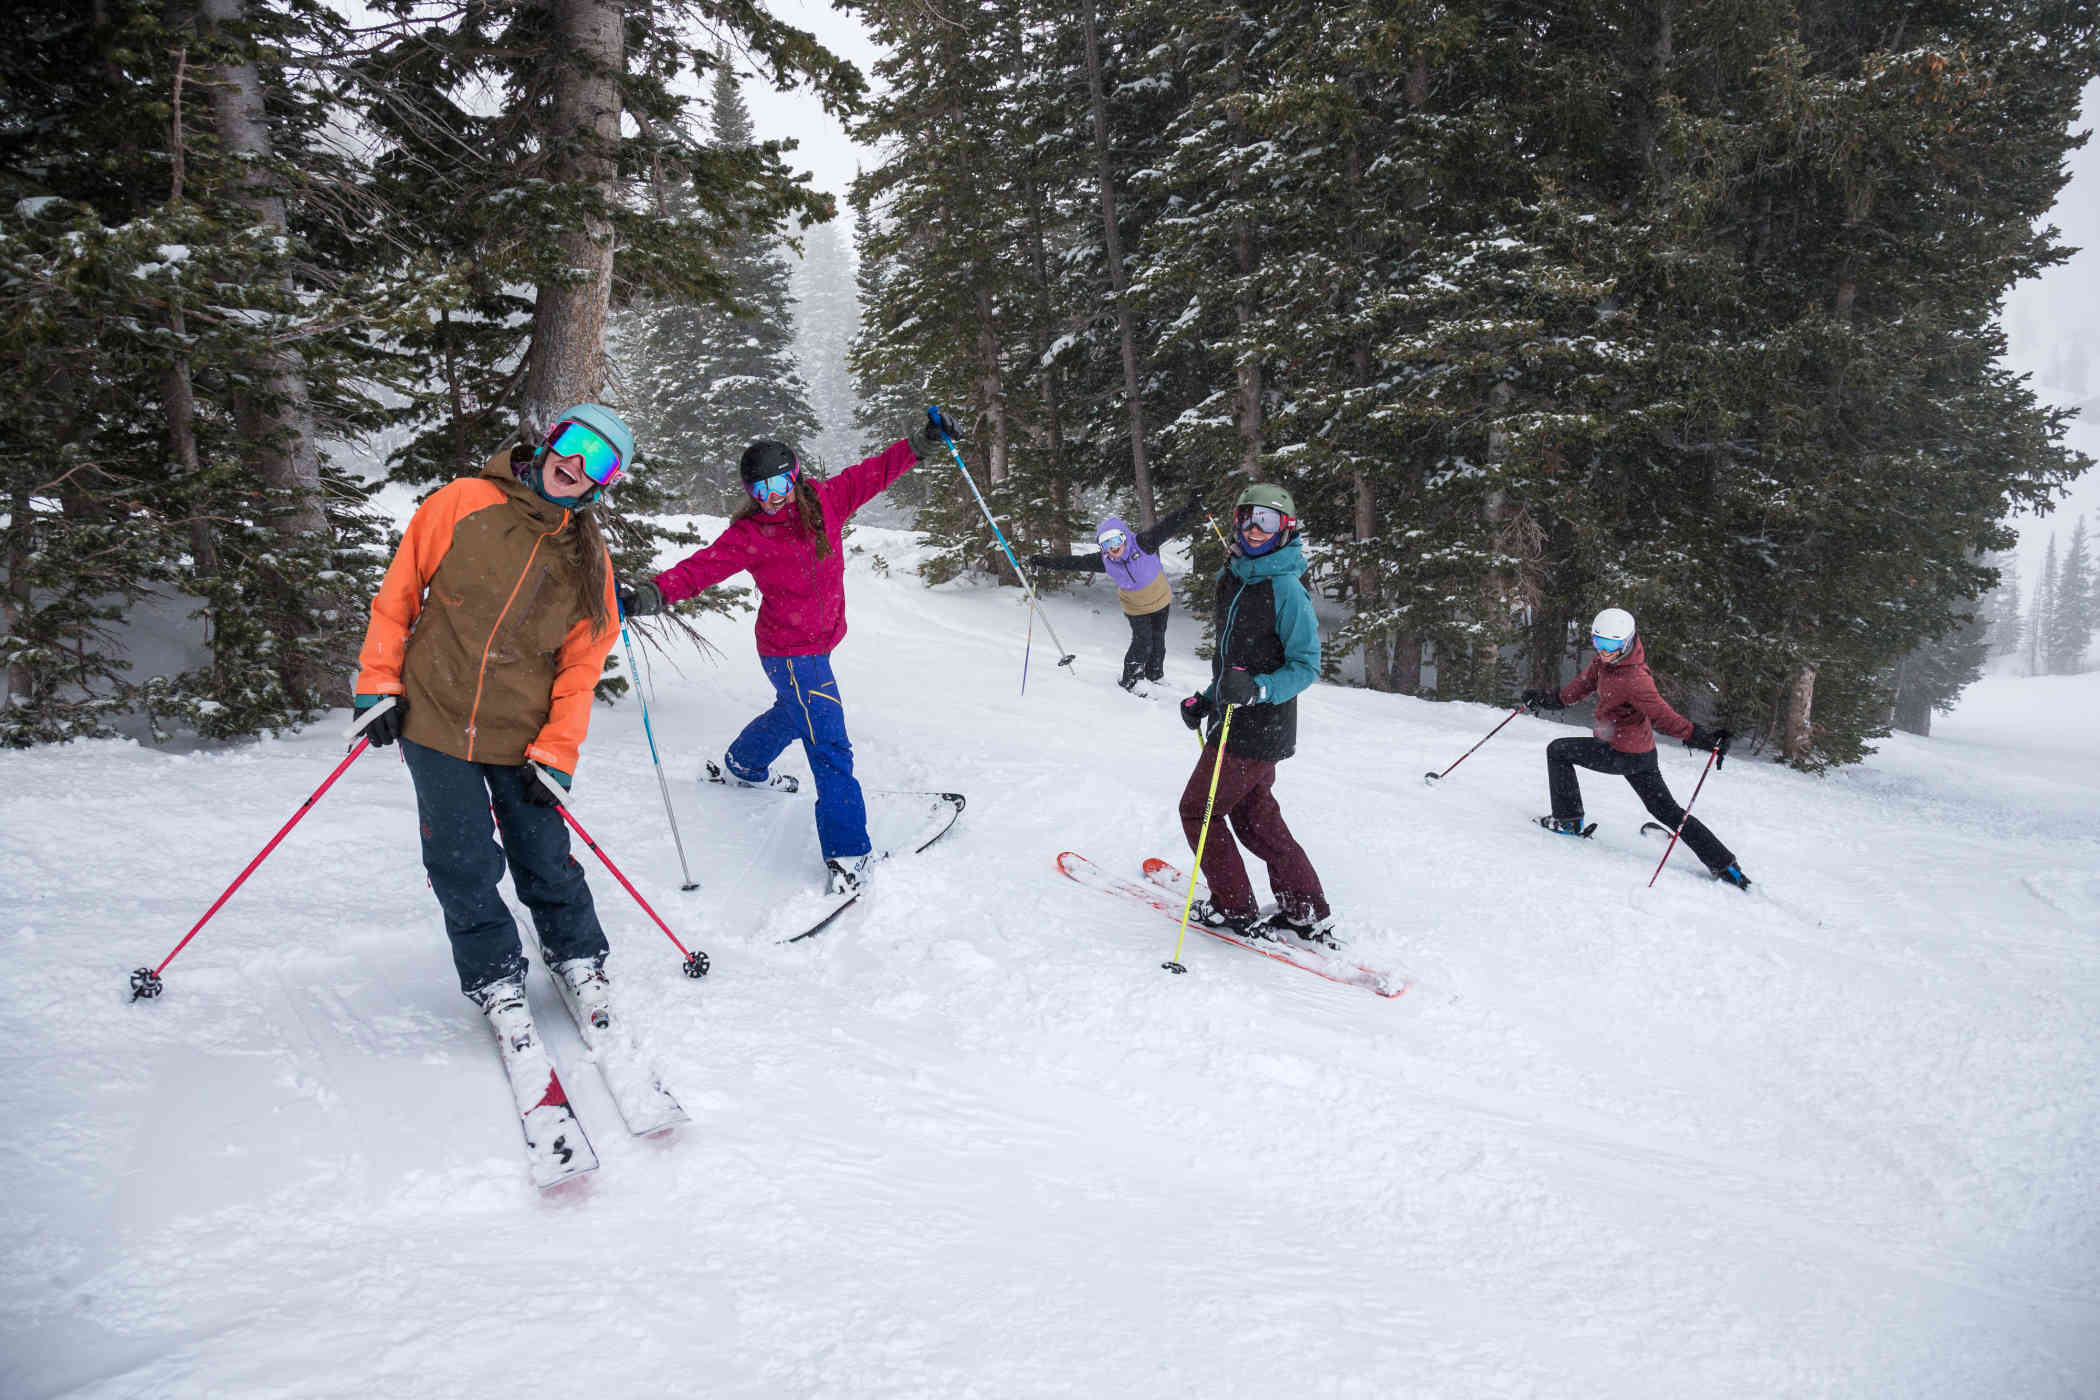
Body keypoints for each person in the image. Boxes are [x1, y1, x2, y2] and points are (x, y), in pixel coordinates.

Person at [351, 403, 631, 1041]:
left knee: (544, 855)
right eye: (576, 443)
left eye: (601, 461)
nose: (578, 465)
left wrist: (558, 750)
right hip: (434, 716)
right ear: (552, 440)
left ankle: (579, 957)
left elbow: (581, 667)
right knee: (461, 858)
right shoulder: (461, 502)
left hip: (522, 735)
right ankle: (496, 976)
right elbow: (397, 599)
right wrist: (377, 684)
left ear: (603, 483)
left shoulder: (590, 560)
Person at [621, 406, 956, 896]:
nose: (772, 497)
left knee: (793, 710)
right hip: (790, 650)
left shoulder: (828, 501)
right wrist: (651, 595)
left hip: (814, 643)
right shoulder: (750, 535)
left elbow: (875, 472)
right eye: (760, 491)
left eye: (779, 484)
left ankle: (744, 765)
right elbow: (700, 569)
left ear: (795, 476)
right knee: (830, 746)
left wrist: (924, 442)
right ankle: (848, 853)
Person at [1176, 483, 1332, 944]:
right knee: (1255, 818)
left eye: (1266, 519)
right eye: (1247, 516)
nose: (1253, 528)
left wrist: (1260, 689)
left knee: (1197, 811)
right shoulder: (1236, 577)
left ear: (1286, 528)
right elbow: (1233, 661)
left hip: (1258, 727)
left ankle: (1233, 908)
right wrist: (1208, 697)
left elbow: (1307, 665)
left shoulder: (1285, 588)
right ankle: (1304, 909)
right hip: (1236, 722)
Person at [1521, 607, 1751, 890]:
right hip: (1640, 754)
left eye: (1611, 645)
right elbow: (1578, 689)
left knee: (1558, 750)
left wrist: (1702, 738)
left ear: (1627, 642)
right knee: (1666, 810)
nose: (1604, 651)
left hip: (1621, 754)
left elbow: (1663, 716)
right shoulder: (1605, 664)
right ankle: (1725, 864)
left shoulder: (1635, 679)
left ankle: (1568, 820)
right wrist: (1547, 699)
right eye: (1598, 642)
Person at [1027, 492, 1205, 692]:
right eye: (1106, 544)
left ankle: (1155, 675)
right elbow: (1073, 562)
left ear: (1125, 537)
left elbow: (1170, 524)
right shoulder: (1104, 561)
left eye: (1116, 541)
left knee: (1158, 639)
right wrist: (1043, 561)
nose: (1113, 548)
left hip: (1160, 599)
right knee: (1142, 640)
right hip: (1135, 606)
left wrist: (1192, 507)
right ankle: (1132, 680)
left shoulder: (1144, 542)